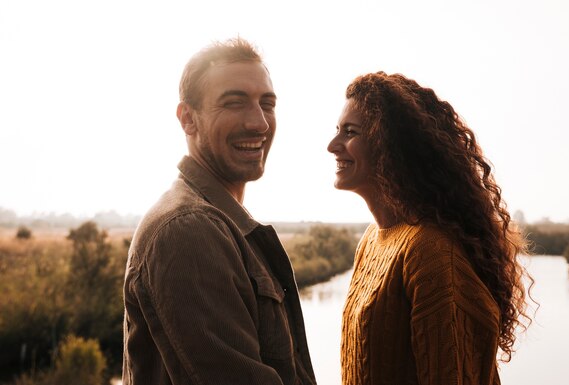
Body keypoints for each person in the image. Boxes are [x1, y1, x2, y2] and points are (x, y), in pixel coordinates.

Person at [123, 38, 316, 385]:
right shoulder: (188, 230)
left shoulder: (220, 223)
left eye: (267, 104)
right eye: (234, 103)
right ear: (188, 119)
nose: (259, 123)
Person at [327, 72, 533, 385]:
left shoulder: (429, 251)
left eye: (350, 133)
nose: (332, 145)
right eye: (338, 131)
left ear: (388, 145)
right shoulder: (373, 240)